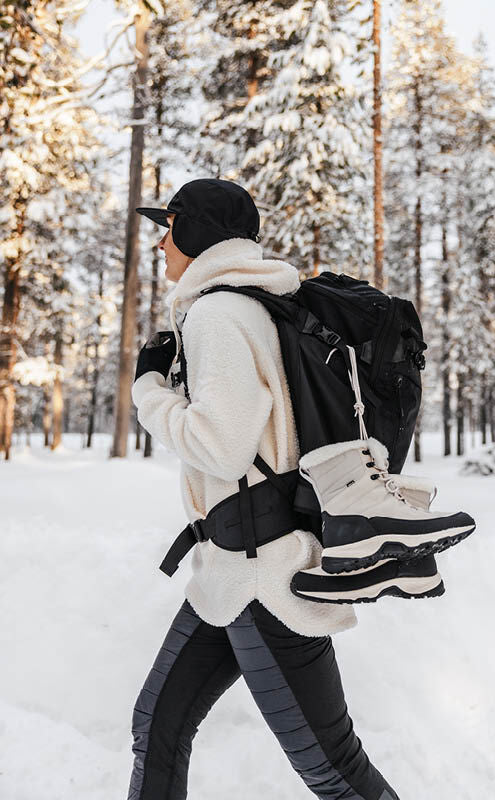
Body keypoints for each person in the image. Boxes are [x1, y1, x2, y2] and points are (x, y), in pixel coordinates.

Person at [127, 178, 400, 800]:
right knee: (158, 724)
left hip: (261, 576)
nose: (161, 243)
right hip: (230, 569)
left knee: (332, 770)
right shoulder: (248, 304)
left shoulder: (220, 314)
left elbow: (222, 445)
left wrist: (149, 391)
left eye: (169, 227)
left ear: (197, 234)